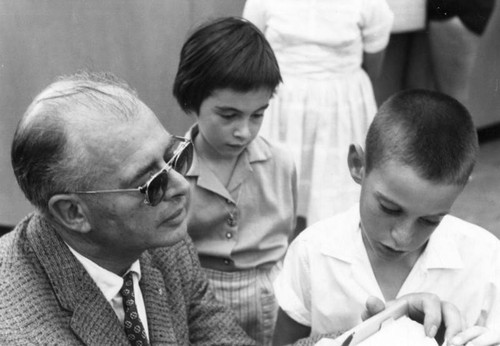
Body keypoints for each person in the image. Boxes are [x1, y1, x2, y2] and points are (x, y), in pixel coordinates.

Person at [0, 71, 255, 345]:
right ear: (73, 213)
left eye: (174, 157)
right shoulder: (19, 333)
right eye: (151, 183)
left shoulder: (163, 242)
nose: (181, 186)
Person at [272, 89, 500, 346]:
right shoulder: (313, 253)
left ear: (460, 191)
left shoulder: (486, 260)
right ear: (358, 164)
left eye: (430, 221)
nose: (402, 237)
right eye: (389, 209)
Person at [172, 17, 297, 345]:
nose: (244, 130)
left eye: (257, 115)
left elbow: (288, 233)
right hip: (198, 296)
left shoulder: (281, 164)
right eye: (228, 116)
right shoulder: (170, 170)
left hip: (267, 292)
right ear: (191, 100)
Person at [243, 0, 394, 225]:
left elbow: (374, 56)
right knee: (279, 183)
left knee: (334, 191)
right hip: (283, 100)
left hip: (341, 102)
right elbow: (250, 43)